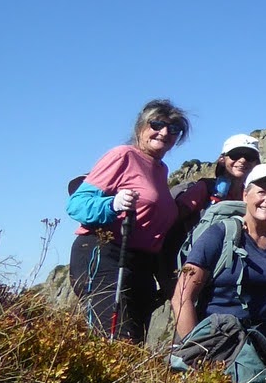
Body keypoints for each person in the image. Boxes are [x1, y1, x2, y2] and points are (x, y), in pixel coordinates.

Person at [66, 99, 192, 342]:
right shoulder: (123, 155)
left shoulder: (160, 169)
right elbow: (77, 204)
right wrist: (112, 204)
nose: (164, 132)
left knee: (133, 345)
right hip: (105, 253)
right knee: (116, 340)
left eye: (174, 128)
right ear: (140, 127)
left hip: (140, 265)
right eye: (157, 124)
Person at [172, 162, 266, 350]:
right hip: (218, 349)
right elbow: (182, 298)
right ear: (245, 195)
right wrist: (195, 352)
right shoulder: (219, 234)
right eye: (262, 192)